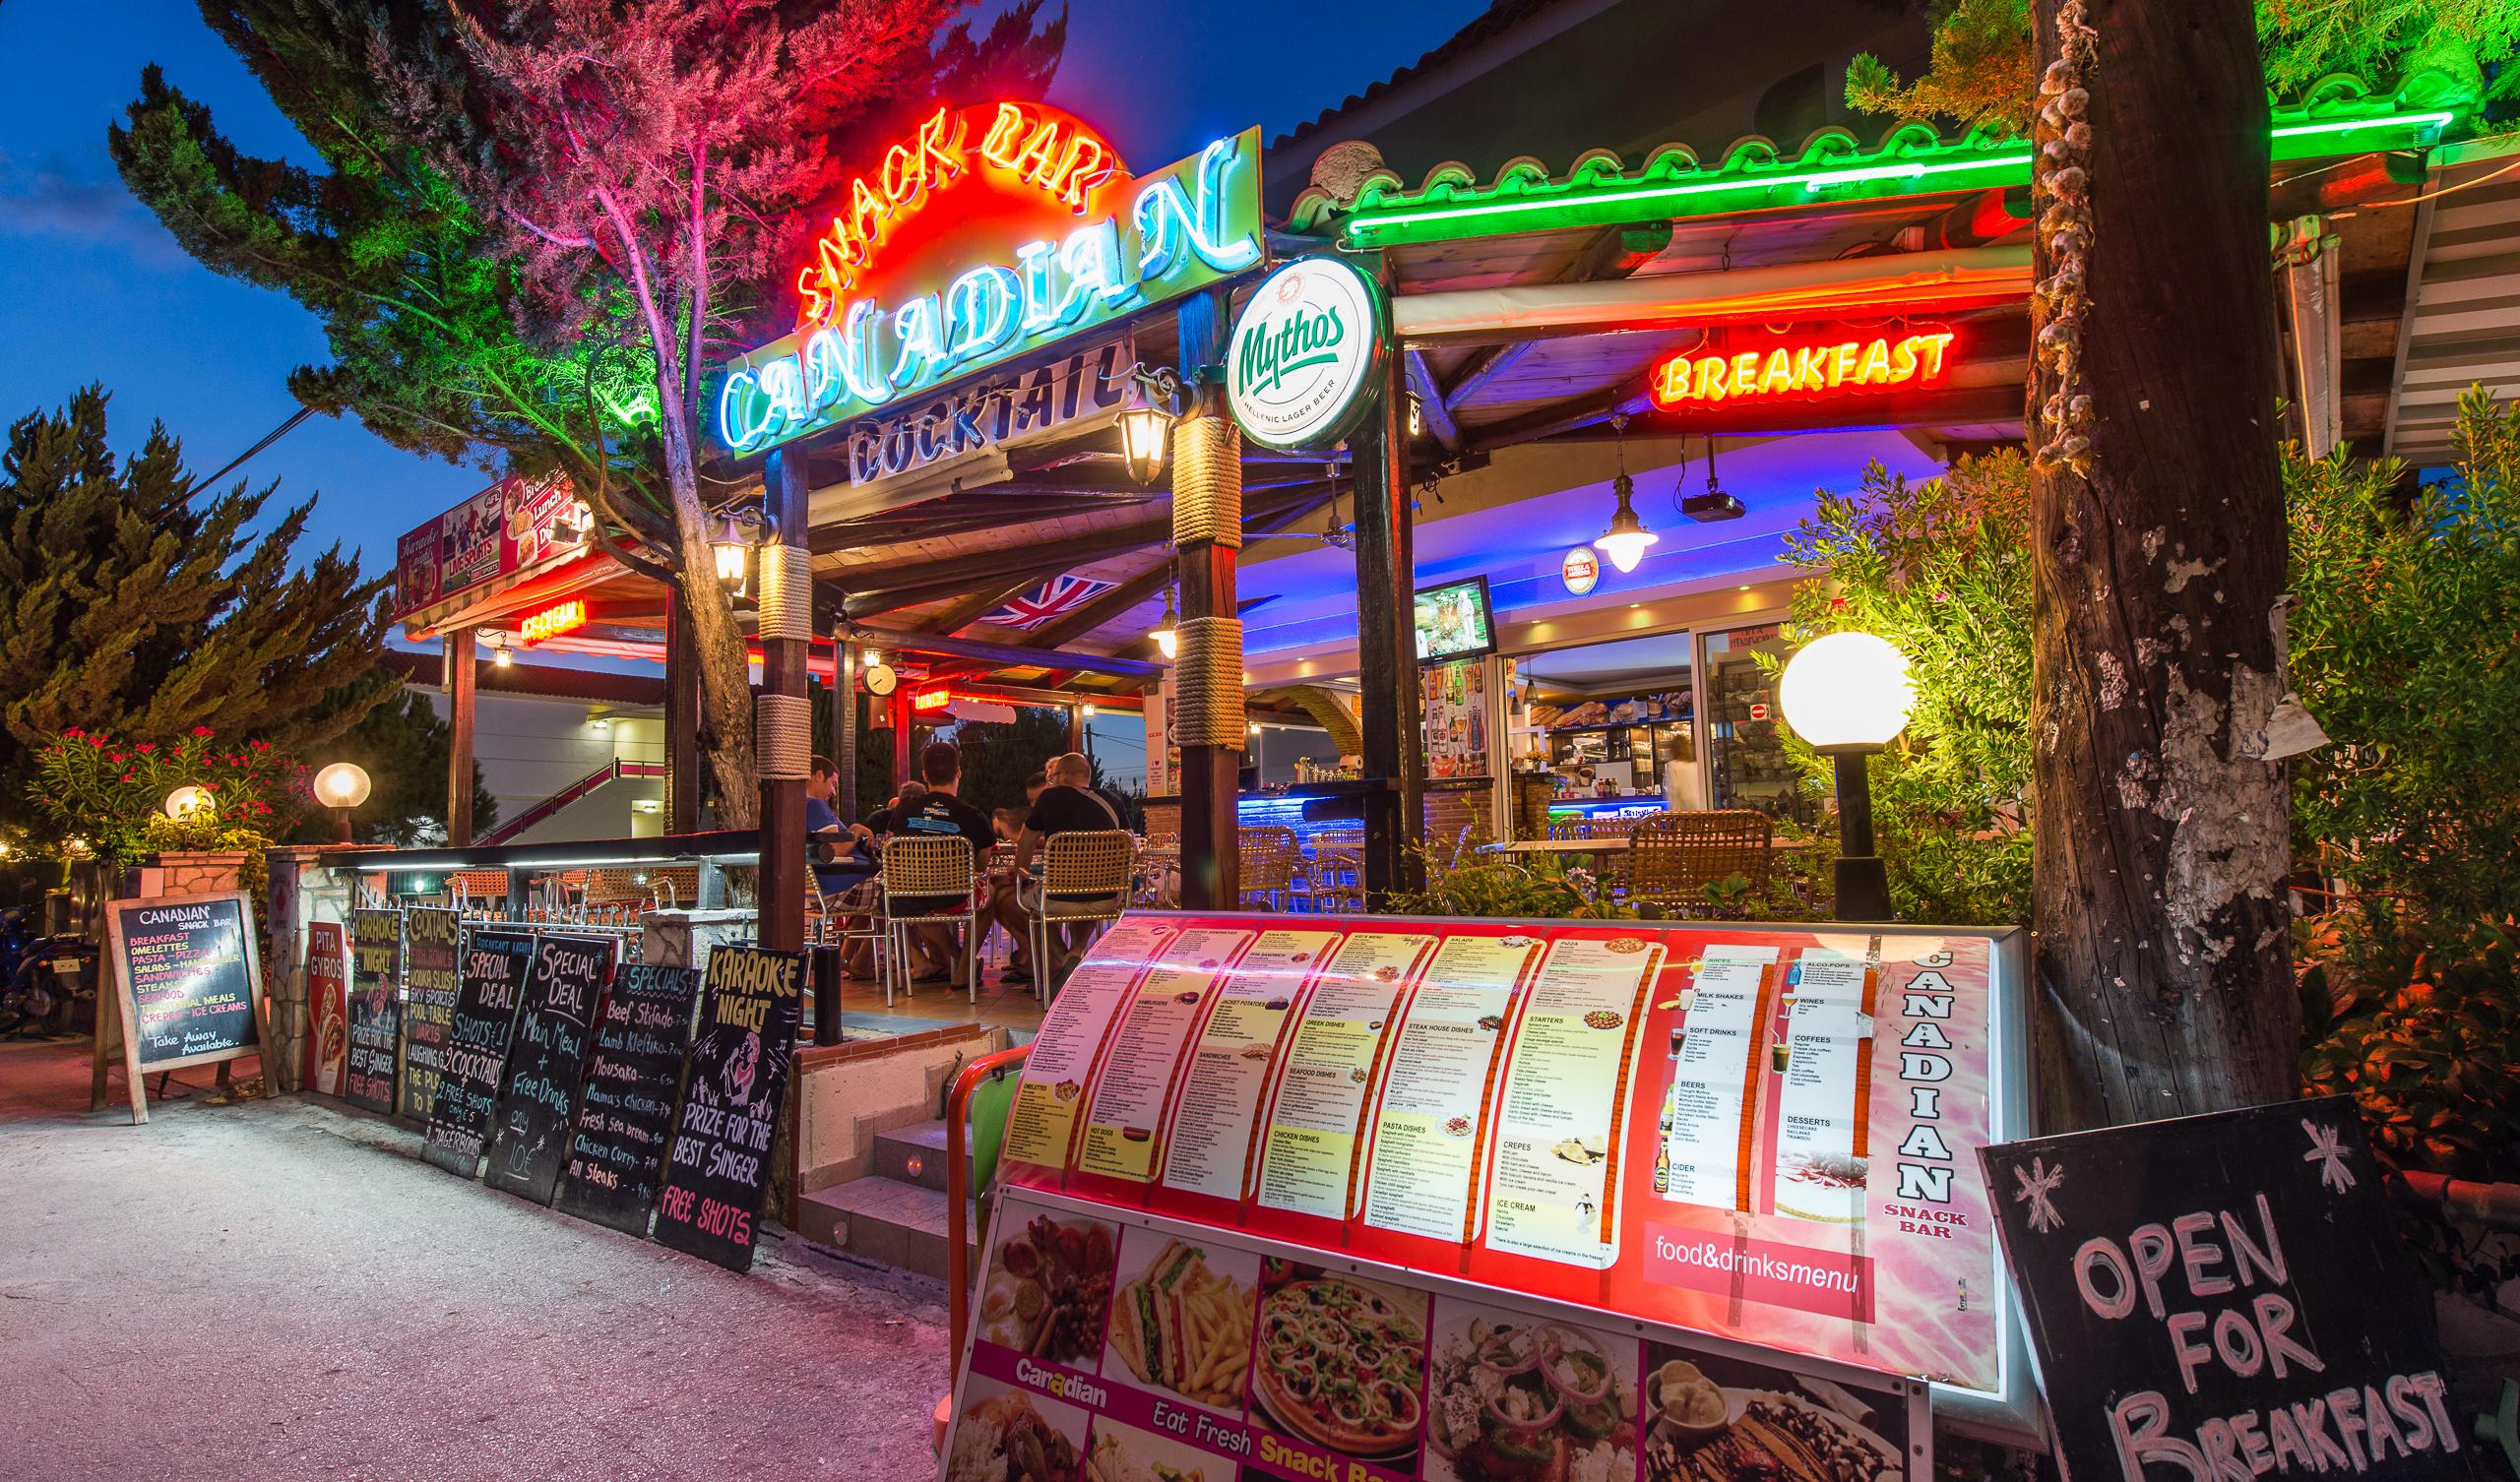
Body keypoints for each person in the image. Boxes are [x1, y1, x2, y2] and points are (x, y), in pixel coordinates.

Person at [991, 751, 1125, 987]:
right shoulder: (1113, 800)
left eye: (1053, 777)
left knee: (1016, 902)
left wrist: (1020, 876)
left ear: (1062, 775)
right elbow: (1130, 845)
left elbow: (1025, 844)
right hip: (1109, 897)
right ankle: (1075, 952)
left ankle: (1063, 960)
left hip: (1058, 896)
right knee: (1082, 895)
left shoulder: (1049, 798)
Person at [885, 742, 993, 985]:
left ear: (924, 775)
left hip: (908, 895)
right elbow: (982, 865)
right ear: (958, 773)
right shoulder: (972, 815)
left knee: (914, 903)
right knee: (990, 895)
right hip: (953, 895)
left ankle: (956, 960)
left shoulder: (902, 811)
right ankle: (964, 964)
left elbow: (891, 851)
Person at [805, 756, 880, 978]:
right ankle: (932, 962)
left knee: (882, 893)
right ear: (819, 776)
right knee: (902, 895)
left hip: (830, 888)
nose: (834, 792)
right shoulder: (814, 805)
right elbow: (834, 850)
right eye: (833, 784)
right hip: (839, 888)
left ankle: (847, 960)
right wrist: (856, 829)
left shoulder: (798, 807)